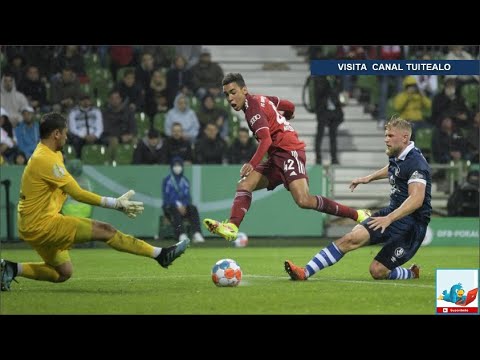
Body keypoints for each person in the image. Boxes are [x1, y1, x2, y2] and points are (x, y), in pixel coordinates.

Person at [0, 112, 189, 292]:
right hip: (43, 224)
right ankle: (160, 255)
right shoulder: (45, 159)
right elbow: (78, 193)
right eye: (65, 132)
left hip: (31, 224)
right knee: (106, 230)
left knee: (63, 273)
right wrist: (115, 203)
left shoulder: (50, 153)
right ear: (56, 134)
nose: (67, 137)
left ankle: (11, 268)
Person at [203, 73, 370, 241]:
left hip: (290, 151)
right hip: (276, 156)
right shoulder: (263, 99)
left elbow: (266, 140)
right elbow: (289, 105)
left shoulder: (252, 109)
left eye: (233, 92)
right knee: (245, 184)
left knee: (304, 200)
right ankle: (232, 227)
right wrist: (287, 115)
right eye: (226, 95)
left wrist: (252, 163)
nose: (230, 98)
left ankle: (358, 215)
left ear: (244, 90)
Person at [285, 117, 431, 281]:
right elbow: (393, 168)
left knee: (377, 271)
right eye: (385, 135)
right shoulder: (398, 154)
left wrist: (389, 219)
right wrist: (368, 178)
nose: (386, 140)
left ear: (405, 137)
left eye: (390, 136)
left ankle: (411, 273)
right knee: (350, 238)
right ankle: (304, 272)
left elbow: (417, 199)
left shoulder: (417, 163)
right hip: (391, 214)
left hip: (411, 225)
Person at [162, 156, 205, 244]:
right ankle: (181, 235)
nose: (177, 167)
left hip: (184, 206)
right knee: (174, 210)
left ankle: (197, 233)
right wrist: (178, 205)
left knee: (193, 208)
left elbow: (187, 196)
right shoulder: (167, 180)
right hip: (170, 206)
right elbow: (167, 197)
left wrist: (185, 204)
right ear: (171, 167)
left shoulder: (185, 180)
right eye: (175, 165)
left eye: (179, 165)